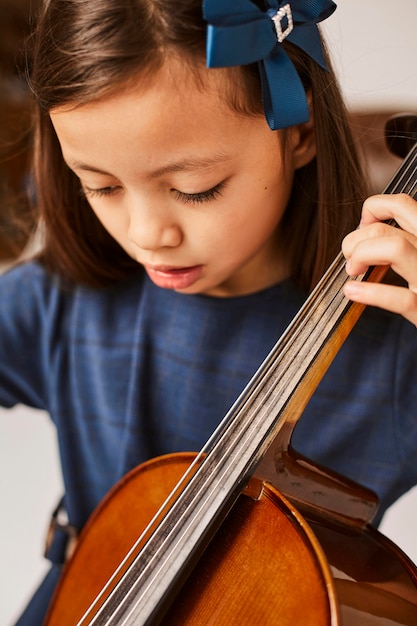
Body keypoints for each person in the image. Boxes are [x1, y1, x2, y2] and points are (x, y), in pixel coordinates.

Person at [1, 0, 417, 622]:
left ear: (298, 131)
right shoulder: (62, 299)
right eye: (101, 185)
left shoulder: (398, 346)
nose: (146, 234)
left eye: (195, 189)